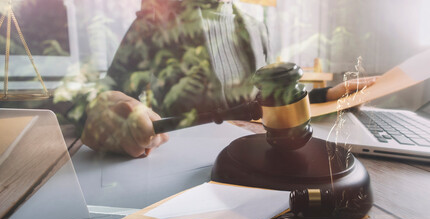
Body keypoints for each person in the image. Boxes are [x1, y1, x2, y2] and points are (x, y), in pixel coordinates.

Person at [81, 0, 375, 157]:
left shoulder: (255, 27)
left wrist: (327, 96)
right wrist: (110, 107)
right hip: (184, 160)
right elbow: (106, 97)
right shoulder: (152, 24)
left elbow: (269, 101)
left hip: (259, 157)